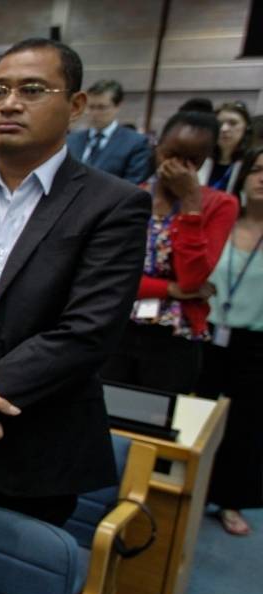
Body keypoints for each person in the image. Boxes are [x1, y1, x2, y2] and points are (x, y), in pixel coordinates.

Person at [0, 38, 151, 525]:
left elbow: (88, 330)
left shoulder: (112, 204)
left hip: (34, 435)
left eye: (32, 89)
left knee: (9, 590)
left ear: (76, 105)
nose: (10, 103)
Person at [102, 111, 238, 393]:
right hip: (117, 326)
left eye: (191, 160)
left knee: (158, 419)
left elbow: (192, 278)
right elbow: (112, 277)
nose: (177, 166)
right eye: (171, 154)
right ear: (157, 147)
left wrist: (191, 205)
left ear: (203, 160)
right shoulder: (128, 197)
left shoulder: (220, 204)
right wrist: (171, 289)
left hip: (174, 337)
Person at [199, 146, 263, 535]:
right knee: (197, 415)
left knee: (246, 425)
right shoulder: (222, 219)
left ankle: (230, 500)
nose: (262, 178)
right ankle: (190, 488)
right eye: (257, 169)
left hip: (254, 342)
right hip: (206, 334)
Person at [65, 80, 152, 184]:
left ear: (117, 106)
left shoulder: (135, 143)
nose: (95, 113)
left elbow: (133, 184)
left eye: (102, 107)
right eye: (91, 107)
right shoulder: (72, 140)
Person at [202, 101, 253, 192]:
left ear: (246, 128)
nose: (224, 129)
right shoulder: (201, 159)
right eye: (219, 124)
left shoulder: (251, 164)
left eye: (233, 123)